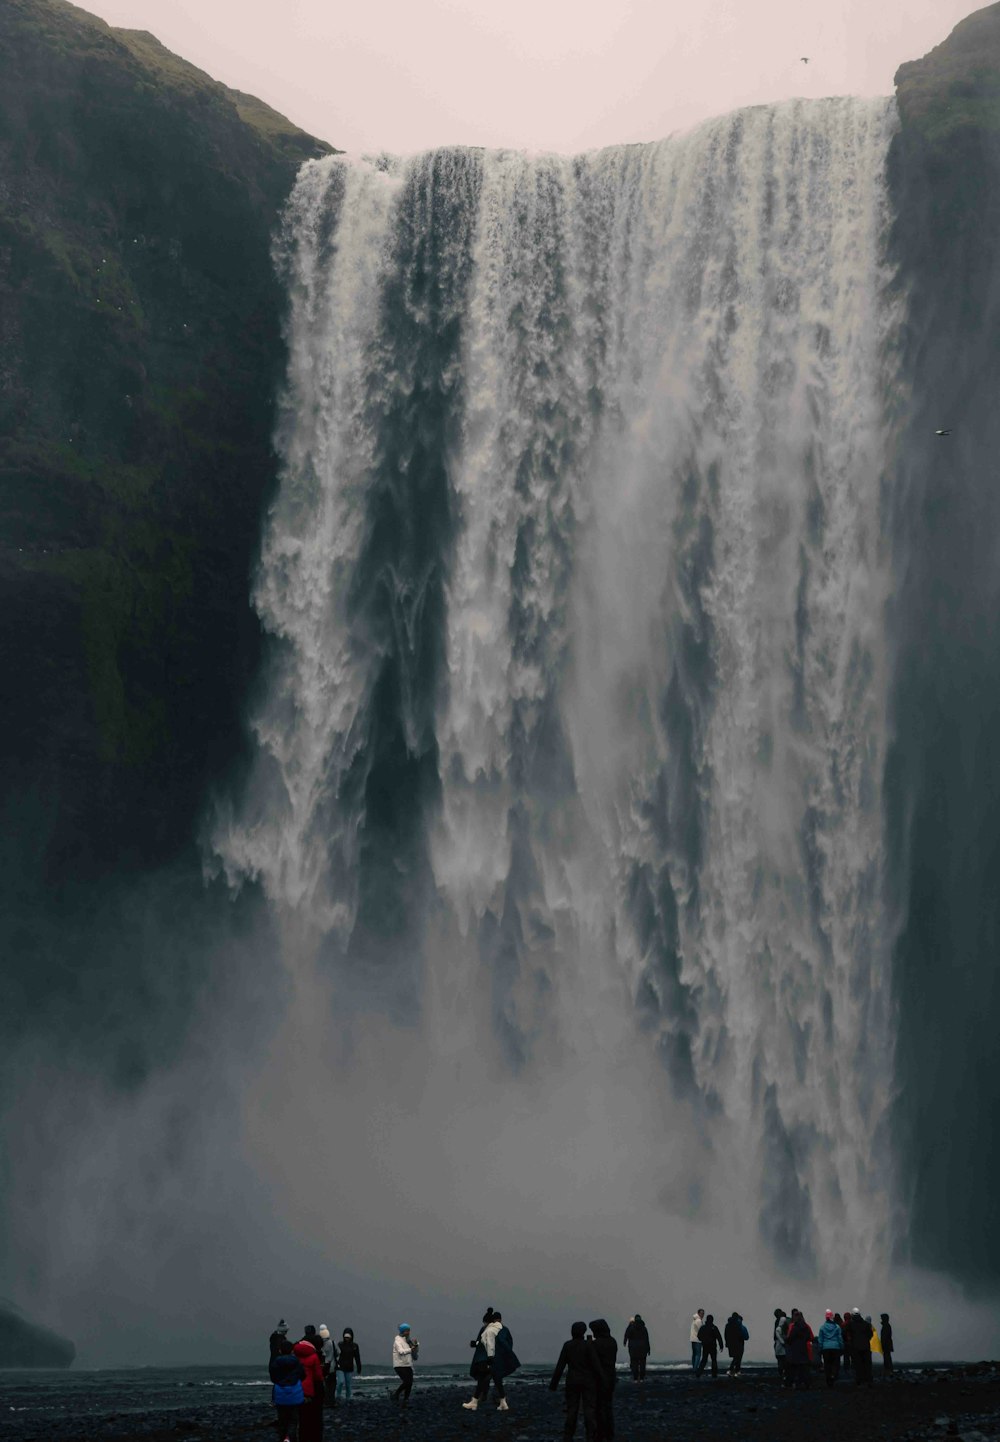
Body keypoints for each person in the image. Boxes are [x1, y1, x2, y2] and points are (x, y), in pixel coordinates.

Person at [550, 1321, 604, 1442]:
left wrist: (554, 1384)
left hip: (572, 1380)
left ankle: (568, 1436)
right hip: (588, 1381)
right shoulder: (588, 1345)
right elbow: (596, 1364)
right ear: (583, 1332)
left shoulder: (567, 1345)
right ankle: (590, 1436)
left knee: (572, 1409)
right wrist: (602, 1379)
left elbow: (560, 1366)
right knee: (589, 1409)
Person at [463, 1309, 519, 1412]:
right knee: (497, 1380)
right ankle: (502, 1403)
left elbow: (481, 1343)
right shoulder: (503, 1329)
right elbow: (506, 1343)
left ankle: (476, 1402)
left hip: (487, 1358)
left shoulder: (486, 1329)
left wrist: (474, 1344)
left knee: (483, 1379)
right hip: (497, 1359)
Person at [269, 1337, 305, 1442]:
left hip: (280, 1393)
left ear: (280, 1350)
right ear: (292, 1350)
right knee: (293, 1420)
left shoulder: (276, 1362)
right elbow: (303, 1375)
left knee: (282, 1419)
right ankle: (291, 1438)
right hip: (295, 1393)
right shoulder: (297, 1362)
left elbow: (273, 1378)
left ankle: (283, 1438)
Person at [589, 1319, 618, 1442]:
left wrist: (589, 1344)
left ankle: (601, 1433)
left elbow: (592, 1361)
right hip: (611, 1377)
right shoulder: (612, 1342)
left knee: (599, 1407)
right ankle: (609, 1433)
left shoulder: (595, 1344)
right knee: (608, 1406)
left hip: (599, 1379)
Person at [292, 1335, 325, 1442]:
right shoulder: (314, 1356)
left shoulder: (295, 1355)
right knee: (313, 1417)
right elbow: (318, 1376)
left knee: (302, 1418)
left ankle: (302, 1437)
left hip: (296, 1389)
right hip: (309, 1390)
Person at [783, 1309, 813, 1390]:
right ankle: (806, 1384)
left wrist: (786, 1340)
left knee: (794, 1369)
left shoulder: (794, 1327)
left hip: (795, 1350)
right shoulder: (806, 1327)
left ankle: (794, 1384)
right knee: (804, 1369)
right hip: (803, 1349)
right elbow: (810, 1337)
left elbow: (790, 1338)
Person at [389, 1323, 416, 1403]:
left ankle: (406, 1399)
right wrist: (410, 1350)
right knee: (407, 1382)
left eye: (409, 1330)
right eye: (406, 1331)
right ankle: (396, 1394)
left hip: (408, 1364)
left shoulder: (407, 1341)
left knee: (410, 1383)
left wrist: (415, 1347)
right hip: (399, 1365)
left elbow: (413, 1352)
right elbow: (401, 1352)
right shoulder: (397, 1341)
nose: (408, 1332)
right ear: (402, 1331)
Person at [817, 1309, 843, 1387]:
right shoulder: (837, 1327)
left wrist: (820, 1348)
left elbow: (820, 1339)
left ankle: (828, 1378)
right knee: (835, 1364)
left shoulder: (822, 1327)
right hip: (835, 1347)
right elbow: (839, 1338)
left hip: (826, 1348)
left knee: (827, 1364)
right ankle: (833, 1375)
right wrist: (841, 1346)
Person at [334, 1328, 362, 1402]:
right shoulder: (340, 1344)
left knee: (348, 1384)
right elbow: (336, 1355)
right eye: (345, 1337)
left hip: (349, 1368)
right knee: (340, 1382)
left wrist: (359, 1367)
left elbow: (357, 1357)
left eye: (348, 1337)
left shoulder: (354, 1346)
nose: (347, 1339)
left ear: (351, 1337)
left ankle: (348, 1398)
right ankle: (338, 1396)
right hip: (340, 1367)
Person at [623, 1313, 650, 1382]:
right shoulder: (644, 1328)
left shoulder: (631, 1327)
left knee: (634, 1363)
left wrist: (625, 1342)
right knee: (642, 1364)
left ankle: (635, 1378)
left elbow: (626, 1335)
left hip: (633, 1348)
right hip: (643, 1348)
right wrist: (648, 1349)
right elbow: (647, 1339)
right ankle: (641, 1378)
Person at [850, 1308, 873, 1386]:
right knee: (867, 1364)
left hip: (856, 1347)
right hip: (866, 1347)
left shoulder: (851, 1324)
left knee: (858, 1365)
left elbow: (845, 1334)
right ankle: (868, 1380)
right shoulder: (866, 1324)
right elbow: (870, 1334)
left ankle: (859, 1380)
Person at [773, 1308, 790, 1387]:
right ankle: (785, 1375)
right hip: (785, 1347)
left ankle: (783, 1374)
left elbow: (776, 1337)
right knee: (785, 1362)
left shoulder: (778, 1325)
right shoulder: (788, 1324)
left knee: (780, 1362)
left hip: (780, 1346)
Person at [841, 1306, 854, 1372]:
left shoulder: (843, 1324)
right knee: (853, 1356)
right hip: (852, 1342)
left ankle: (846, 1368)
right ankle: (853, 1367)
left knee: (846, 1356)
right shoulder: (852, 1323)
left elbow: (842, 1333)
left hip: (845, 1342)